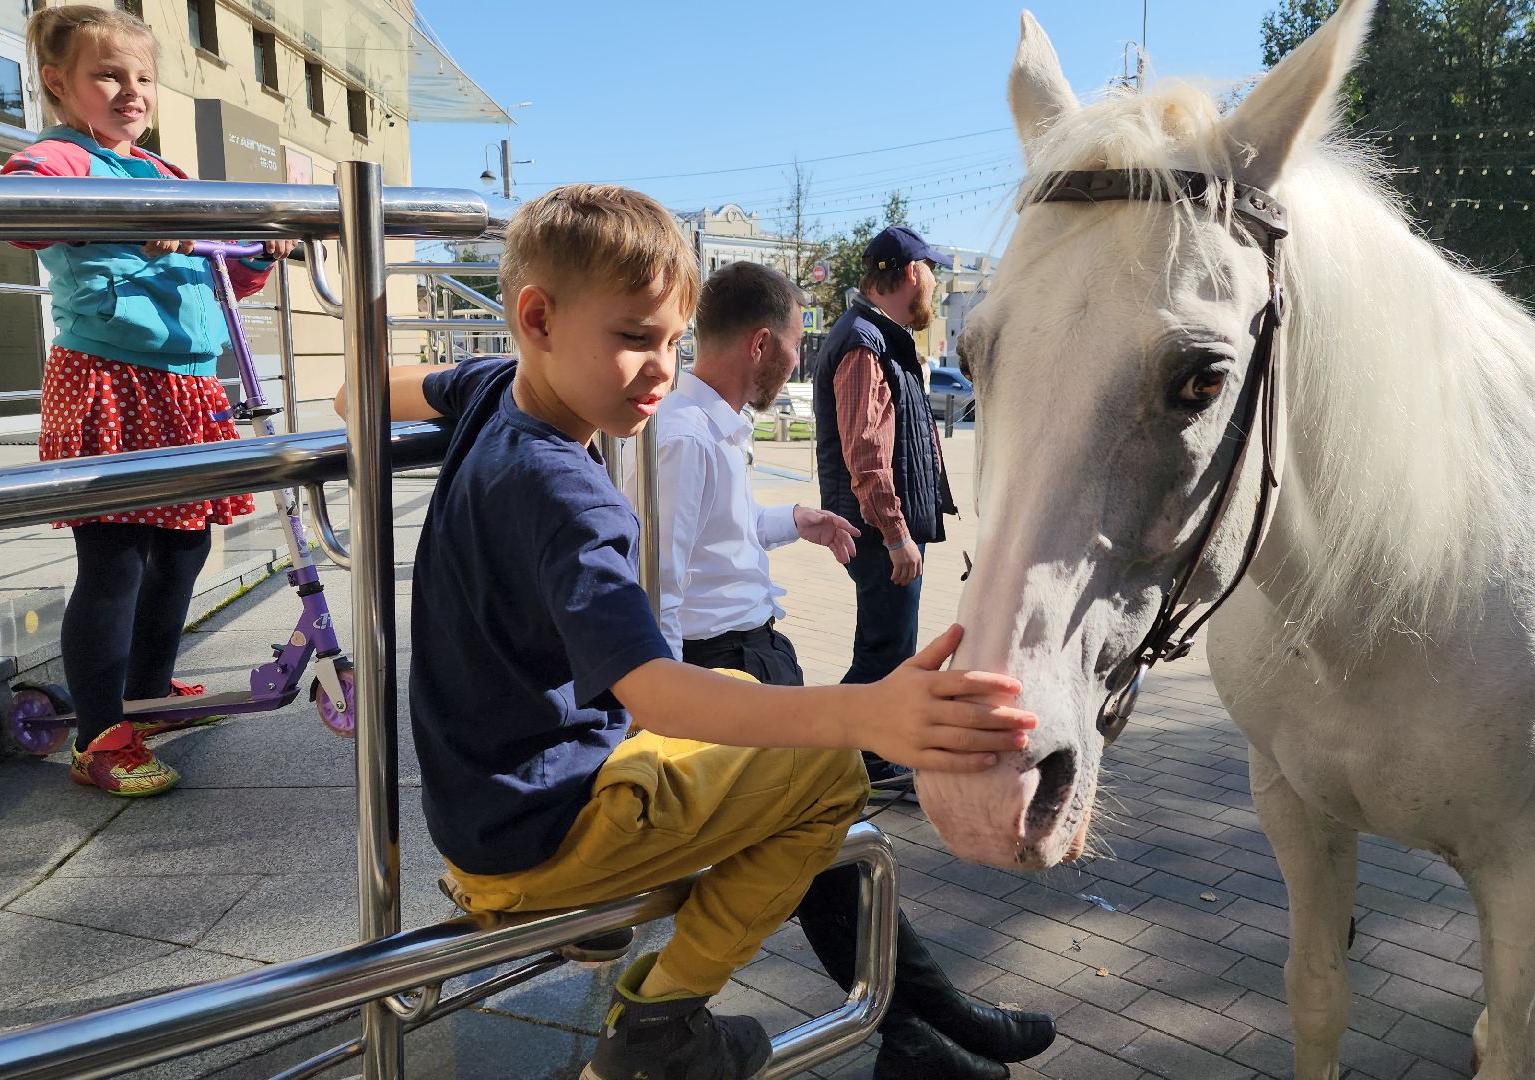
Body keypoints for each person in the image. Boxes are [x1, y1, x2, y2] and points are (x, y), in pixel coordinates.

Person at [334, 184, 1036, 1080]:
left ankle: (894, 1014)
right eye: (634, 338)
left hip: (487, 808)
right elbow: (656, 690)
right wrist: (867, 716)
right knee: (828, 771)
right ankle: (659, 1017)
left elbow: (363, 392)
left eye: (671, 340)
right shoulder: (567, 492)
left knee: (752, 704)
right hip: (546, 835)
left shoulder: (485, 393)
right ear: (537, 317)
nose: (661, 369)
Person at [654, 261, 1055, 1080]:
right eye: (796, 347)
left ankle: (917, 1032)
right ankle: (932, 1021)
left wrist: (789, 520)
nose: (798, 363)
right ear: (761, 343)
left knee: (827, 852)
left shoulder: (711, 424)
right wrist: (660, 713)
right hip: (722, 669)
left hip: (750, 653)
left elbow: (710, 541)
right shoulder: (685, 433)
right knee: (828, 846)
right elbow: (658, 584)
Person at [2, 5, 290, 797]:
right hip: (111, 375)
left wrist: (258, 247)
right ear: (59, 84)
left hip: (189, 381)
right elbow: (20, 209)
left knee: (185, 547)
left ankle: (146, 696)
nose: (131, 91)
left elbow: (222, 270)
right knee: (116, 557)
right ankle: (98, 736)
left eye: (143, 78)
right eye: (108, 75)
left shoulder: (166, 176)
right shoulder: (62, 157)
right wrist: (126, 220)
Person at [814, 226, 959, 789]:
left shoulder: (880, 336)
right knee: (883, 655)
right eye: (931, 273)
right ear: (906, 274)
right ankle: (832, 757)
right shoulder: (863, 342)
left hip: (884, 527)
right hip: (879, 532)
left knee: (889, 650)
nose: (936, 285)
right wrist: (896, 532)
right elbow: (866, 451)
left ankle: (867, 760)